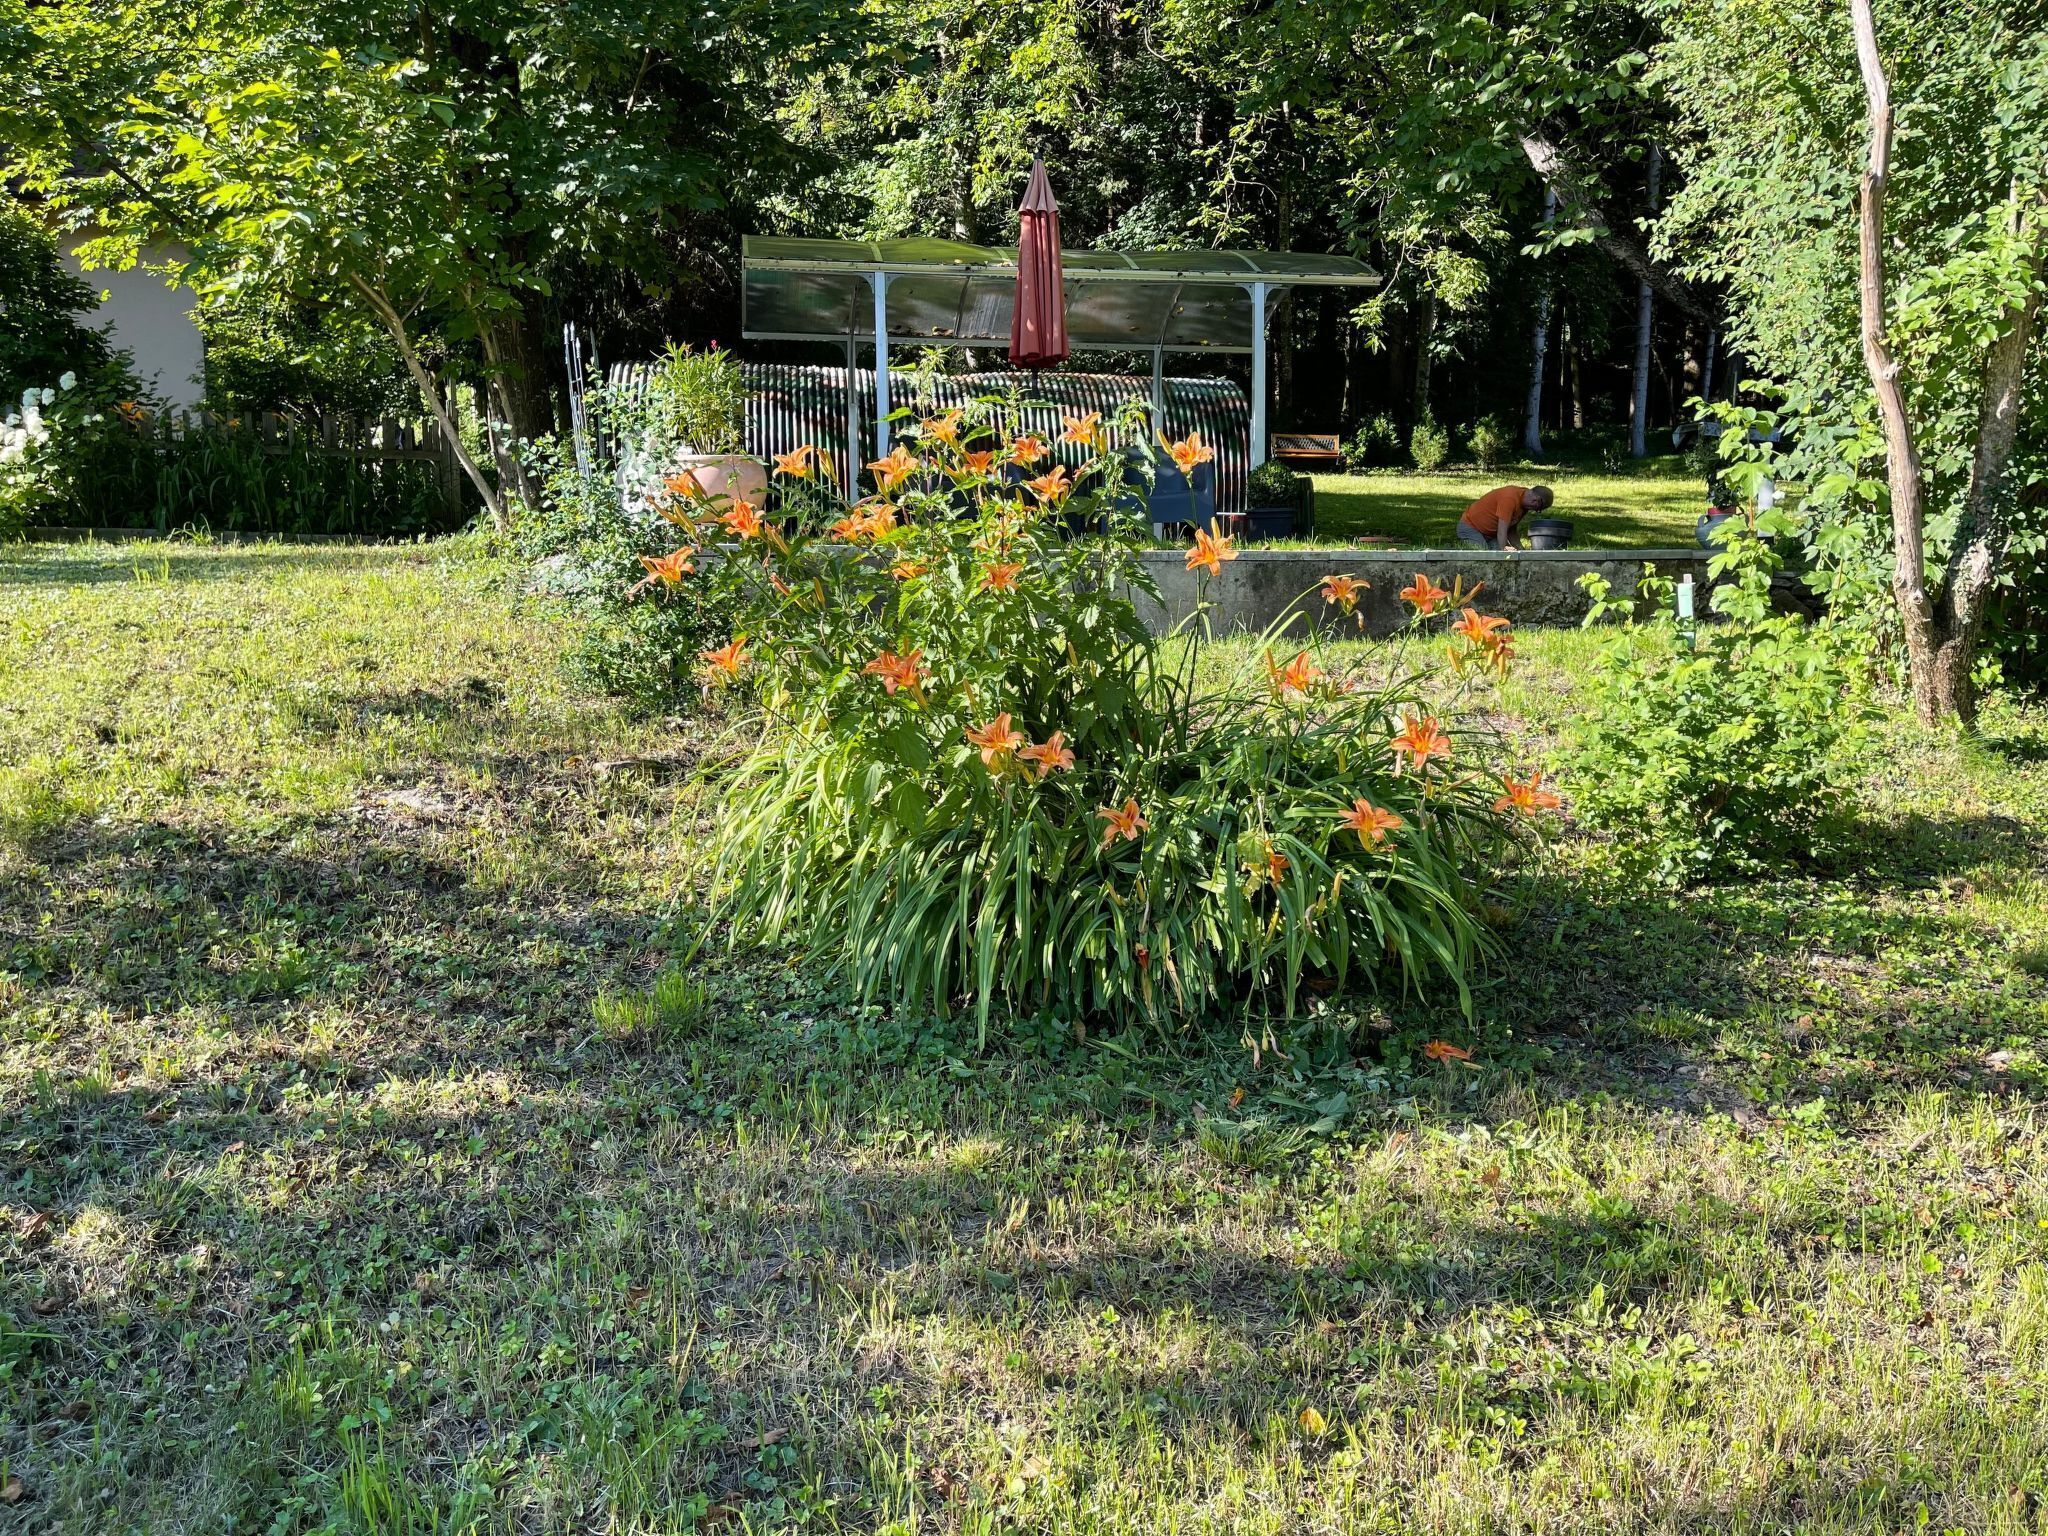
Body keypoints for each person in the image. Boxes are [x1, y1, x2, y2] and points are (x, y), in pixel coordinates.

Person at [1456, 484, 1553, 549]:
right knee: (1484, 554)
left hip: (1490, 535)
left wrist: (1522, 551)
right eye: (1536, 503)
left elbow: (1511, 530)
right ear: (1532, 494)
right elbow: (1502, 532)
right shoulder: (1509, 499)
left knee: (1500, 553)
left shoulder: (1524, 505)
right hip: (1471, 527)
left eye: (1537, 508)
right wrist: (1503, 553)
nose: (1533, 506)